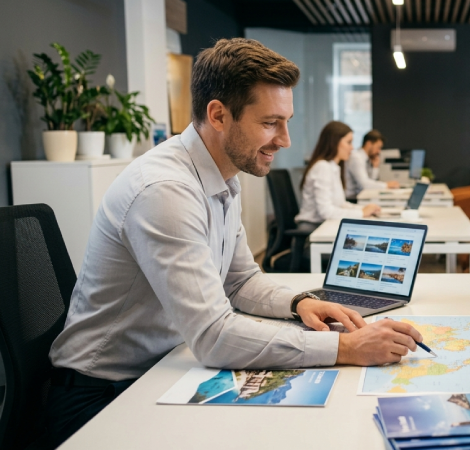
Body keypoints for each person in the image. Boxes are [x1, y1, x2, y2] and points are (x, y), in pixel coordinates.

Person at [44, 38, 422, 447]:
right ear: (219, 115)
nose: (285, 140)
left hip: (164, 366)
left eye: (286, 121)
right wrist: (345, 346)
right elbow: (213, 336)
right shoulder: (164, 191)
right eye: (270, 122)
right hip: (99, 397)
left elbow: (240, 280)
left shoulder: (223, 176)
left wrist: (300, 303)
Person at [295, 121, 382, 223]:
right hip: (313, 226)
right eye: (349, 142)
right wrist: (362, 213)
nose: (352, 147)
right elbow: (326, 212)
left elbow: (340, 204)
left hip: (324, 224)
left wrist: (363, 209)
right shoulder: (322, 167)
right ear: (334, 142)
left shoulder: (333, 167)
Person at [345, 129, 400, 199]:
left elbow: (371, 182)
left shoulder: (366, 159)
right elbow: (365, 185)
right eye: (378, 147)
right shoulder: (356, 158)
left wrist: (375, 167)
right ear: (369, 144)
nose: (379, 151)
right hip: (352, 199)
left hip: (361, 196)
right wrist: (387, 185)